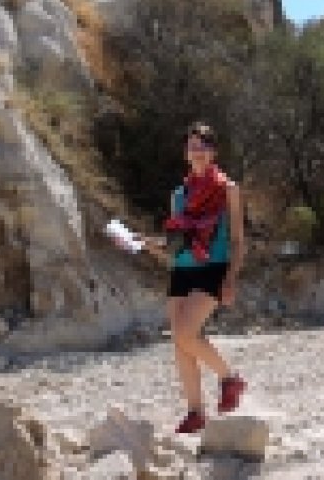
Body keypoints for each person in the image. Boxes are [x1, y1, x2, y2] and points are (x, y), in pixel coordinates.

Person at [138, 122, 247, 433]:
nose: (195, 152)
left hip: (213, 268)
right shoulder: (179, 195)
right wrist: (145, 244)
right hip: (182, 269)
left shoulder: (229, 189)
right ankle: (195, 412)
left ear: (213, 152)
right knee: (180, 343)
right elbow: (174, 245)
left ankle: (230, 378)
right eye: (191, 146)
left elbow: (238, 239)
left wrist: (231, 278)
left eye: (201, 146)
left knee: (187, 333)